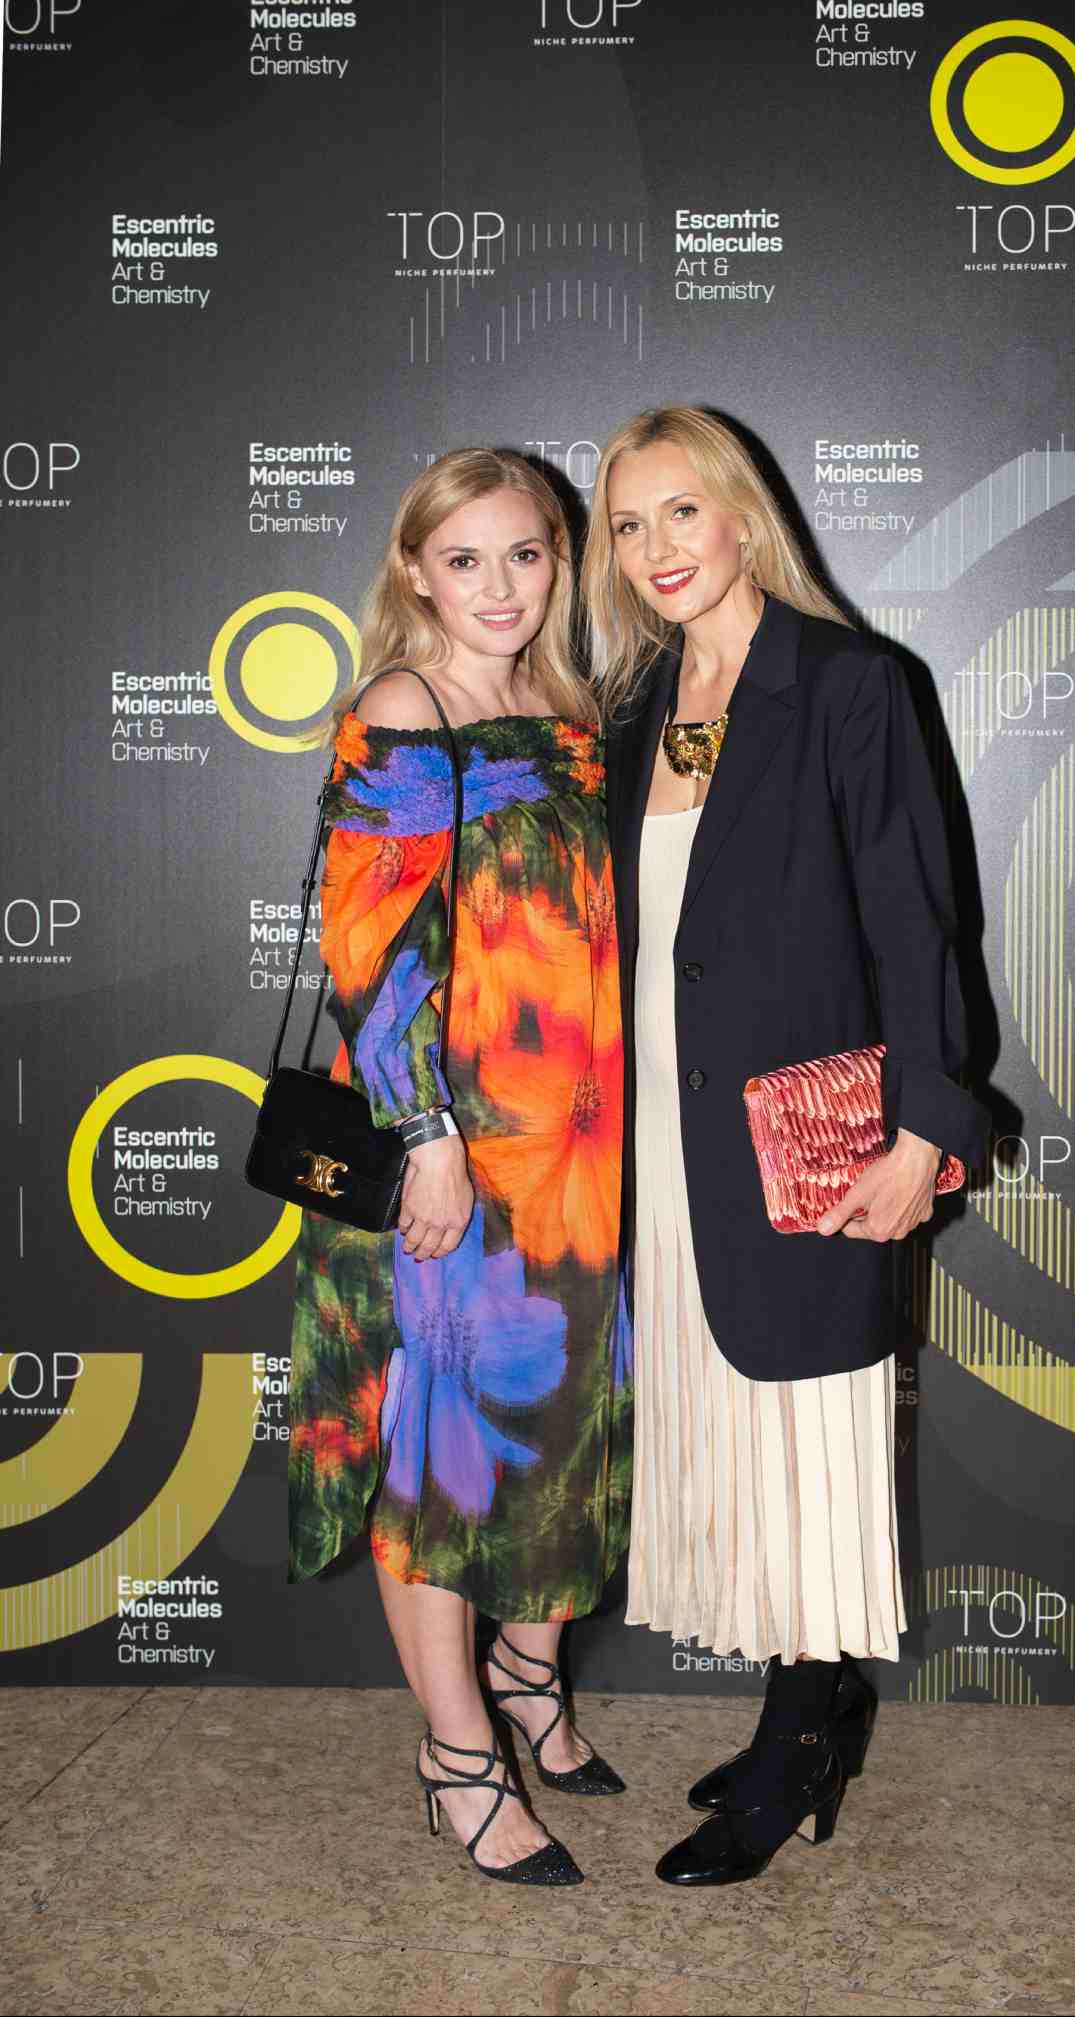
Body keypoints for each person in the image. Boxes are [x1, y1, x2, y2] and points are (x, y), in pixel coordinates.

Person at [584, 406, 988, 1887]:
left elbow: (916, 921)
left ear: (742, 513)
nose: (656, 549)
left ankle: (796, 1742)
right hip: (664, 1149)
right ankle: (814, 1706)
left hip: (806, 1144)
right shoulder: (637, 703)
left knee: (810, 1450)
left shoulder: (847, 684)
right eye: (628, 525)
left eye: (680, 512)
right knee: (733, 1443)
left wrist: (924, 1130)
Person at [287, 449, 630, 1888]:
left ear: (560, 563)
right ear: (416, 572)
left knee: (567, 1435)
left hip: (581, 1154)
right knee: (444, 1457)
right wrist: (426, 1137)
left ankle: (530, 1680)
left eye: (526, 555)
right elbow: (366, 954)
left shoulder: (568, 710)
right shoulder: (403, 708)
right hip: (458, 1151)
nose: (500, 587)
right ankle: (457, 1753)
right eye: (466, 559)